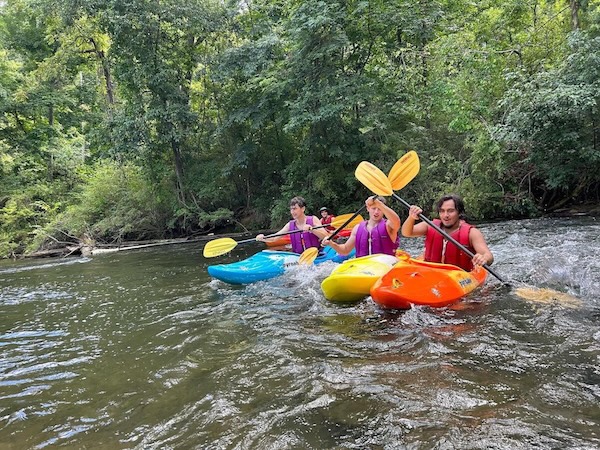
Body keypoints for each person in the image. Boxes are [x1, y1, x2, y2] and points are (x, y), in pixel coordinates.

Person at [401, 194, 494, 271]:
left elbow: (489, 256)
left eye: (450, 211)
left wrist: (483, 258)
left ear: (459, 212)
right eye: (442, 211)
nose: (446, 215)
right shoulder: (429, 225)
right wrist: (411, 217)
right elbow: (406, 233)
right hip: (431, 272)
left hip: (459, 276)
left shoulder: (472, 233)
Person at [321, 196, 401, 257]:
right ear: (368, 208)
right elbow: (345, 250)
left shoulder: (389, 226)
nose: (376, 212)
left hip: (385, 266)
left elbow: (396, 221)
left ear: (383, 209)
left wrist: (379, 204)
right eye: (373, 208)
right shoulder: (357, 228)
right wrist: (331, 243)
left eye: (379, 209)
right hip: (363, 268)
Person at [256, 196, 329, 254]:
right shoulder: (289, 225)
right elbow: (275, 238)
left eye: (295, 209)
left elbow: (326, 236)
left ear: (303, 209)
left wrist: (312, 230)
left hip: (317, 255)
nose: (292, 212)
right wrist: (264, 238)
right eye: (291, 209)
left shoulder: (313, 219)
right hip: (298, 258)